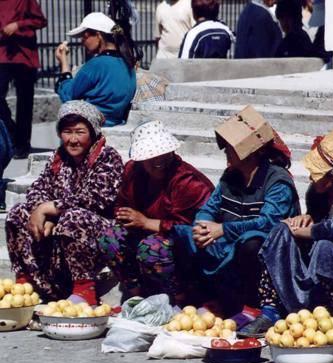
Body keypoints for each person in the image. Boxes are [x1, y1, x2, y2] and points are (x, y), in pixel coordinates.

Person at [174, 106, 300, 318]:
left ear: (249, 152)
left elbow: (268, 224)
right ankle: (208, 301)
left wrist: (223, 229)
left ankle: (253, 307)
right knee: (182, 235)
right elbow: (209, 208)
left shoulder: (277, 182)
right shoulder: (230, 177)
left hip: (262, 253)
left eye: (230, 147)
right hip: (227, 245)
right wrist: (202, 227)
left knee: (252, 243)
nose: (225, 152)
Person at [240, 123, 333, 337]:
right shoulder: (316, 192)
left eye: (316, 174)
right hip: (314, 249)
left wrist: (304, 231)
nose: (310, 178)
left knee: (326, 246)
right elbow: (317, 218)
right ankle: (271, 309)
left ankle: (330, 314)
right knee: (282, 229)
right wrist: (306, 219)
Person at [5, 101, 124, 305]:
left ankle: (84, 290)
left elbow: (96, 198)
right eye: (67, 132)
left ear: (93, 133)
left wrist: (50, 209)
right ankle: (25, 284)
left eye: (80, 132)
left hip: (98, 233)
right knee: (18, 213)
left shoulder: (107, 157)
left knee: (73, 216)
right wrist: (47, 215)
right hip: (60, 229)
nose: (73, 139)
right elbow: (37, 189)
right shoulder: (59, 158)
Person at [100, 121, 214, 304]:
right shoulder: (133, 170)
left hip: (184, 246)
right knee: (110, 238)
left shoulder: (186, 180)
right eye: (151, 157)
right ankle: (136, 296)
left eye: (163, 154)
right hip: (145, 233)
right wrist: (127, 218)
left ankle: (181, 300)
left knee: (151, 247)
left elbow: (190, 228)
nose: (159, 161)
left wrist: (146, 222)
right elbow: (121, 204)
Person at [54, 12, 137, 127]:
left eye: (85, 37)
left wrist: (64, 62)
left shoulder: (96, 64)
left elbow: (69, 96)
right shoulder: (127, 62)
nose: (83, 43)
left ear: (98, 36)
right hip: (117, 122)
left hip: (92, 126)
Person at [0, 0, 47, 159]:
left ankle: (22, 145)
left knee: (24, 102)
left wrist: (18, 25)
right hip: (3, 53)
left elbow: (41, 21)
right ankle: (13, 133)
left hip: (25, 55)